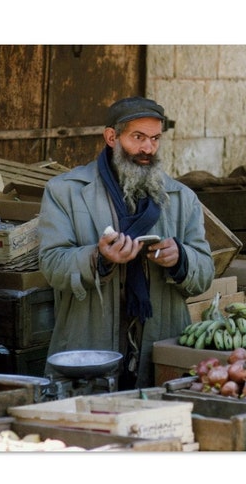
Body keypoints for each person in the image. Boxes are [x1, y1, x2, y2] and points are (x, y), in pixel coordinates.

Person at [38, 96, 215, 389]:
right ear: (112, 137)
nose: (148, 149)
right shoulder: (65, 191)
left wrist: (181, 259)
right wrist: (99, 257)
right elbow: (52, 265)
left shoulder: (182, 197)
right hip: (89, 343)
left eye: (155, 139)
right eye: (138, 137)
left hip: (161, 342)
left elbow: (206, 271)